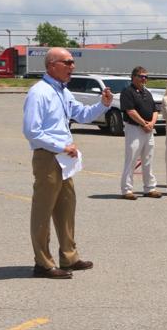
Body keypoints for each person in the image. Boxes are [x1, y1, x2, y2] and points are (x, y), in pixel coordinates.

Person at [22, 47, 112, 278]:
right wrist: (62, 147)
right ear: (52, 65)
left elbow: (81, 114)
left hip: (64, 159)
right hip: (48, 157)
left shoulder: (62, 91)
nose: (73, 66)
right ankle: (43, 263)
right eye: (68, 62)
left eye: (72, 62)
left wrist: (103, 104)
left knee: (66, 208)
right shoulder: (39, 92)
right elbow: (32, 131)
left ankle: (69, 257)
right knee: (43, 211)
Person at [119, 66, 160, 199]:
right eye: (141, 76)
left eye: (146, 77)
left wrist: (151, 123)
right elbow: (130, 111)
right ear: (134, 77)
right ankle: (127, 190)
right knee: (131, 159)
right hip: (134, 129)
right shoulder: (127, 91)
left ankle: (149, 188)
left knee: (148, 159)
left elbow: (155, 110)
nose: (144, 79)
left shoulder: (147, 92)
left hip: (148, 129)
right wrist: (143, 123)